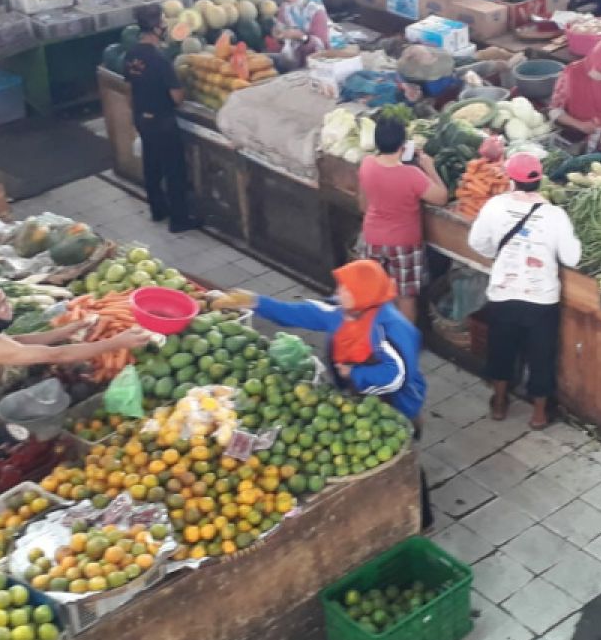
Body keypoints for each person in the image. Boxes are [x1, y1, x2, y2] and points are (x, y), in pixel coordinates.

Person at [212, 260, 433, 527]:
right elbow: (303, 312)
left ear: (363, 294)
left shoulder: (391, 328)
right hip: (356, 399)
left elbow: (398, 375)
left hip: (396, 403)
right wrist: (255, 302)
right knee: (363, 452)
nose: (338, 291)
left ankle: (423, 516)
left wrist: (354, 374)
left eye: (345, 288)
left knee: (403, 456)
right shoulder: (345, 311)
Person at [0, 276, 151, 470]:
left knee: (3, 432)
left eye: (6, 301)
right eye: (1, 306)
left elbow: (17, 342)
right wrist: (116, 342)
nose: (9, 309)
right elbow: (58, 356)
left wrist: (67, 330)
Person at [468, 154, 581, 430]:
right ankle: (539, 414)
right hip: (541, 298)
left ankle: (499, 402)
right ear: (539, 180)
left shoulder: (495, 206)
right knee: (541, 354)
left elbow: (477, 242)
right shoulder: (556, 215)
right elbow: (572, 258)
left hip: (503, 293)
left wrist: (498, 254)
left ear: (511, 180)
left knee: (501, 349)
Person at [357, 118, 449, 323]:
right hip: (404, 243)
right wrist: (429, 167)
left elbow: (363, 205)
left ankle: (374, 337)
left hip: (372, 238)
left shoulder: (367, 164)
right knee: (405, 297)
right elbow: (441, 198)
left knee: (373, 293)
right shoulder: (412, 175)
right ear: (402, 145)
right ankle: (403, 345)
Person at [124, 5, 198, 233]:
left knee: (152, 166)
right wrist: (186, 86)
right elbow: (176, 97)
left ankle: (158, 210)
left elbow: (129, 87)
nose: (166, 26)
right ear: (157, 28)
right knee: (174, 170)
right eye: (163, 22)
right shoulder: (160, 60)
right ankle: (179, 220)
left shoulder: (132, 54)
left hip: (141, 117)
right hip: (162, 121)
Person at [548, 40, 601, 145]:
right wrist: (580, 125)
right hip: (576, 131)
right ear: (592, 62)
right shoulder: (572, 73)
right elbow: (554, 111)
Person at [270, 0, 334, 70]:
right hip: (293, 60)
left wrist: (302, 37)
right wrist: (279, 37)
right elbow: (280, 36)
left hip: (316, 63)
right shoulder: (285, 9)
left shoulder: (317, 13)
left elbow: (321, 46)